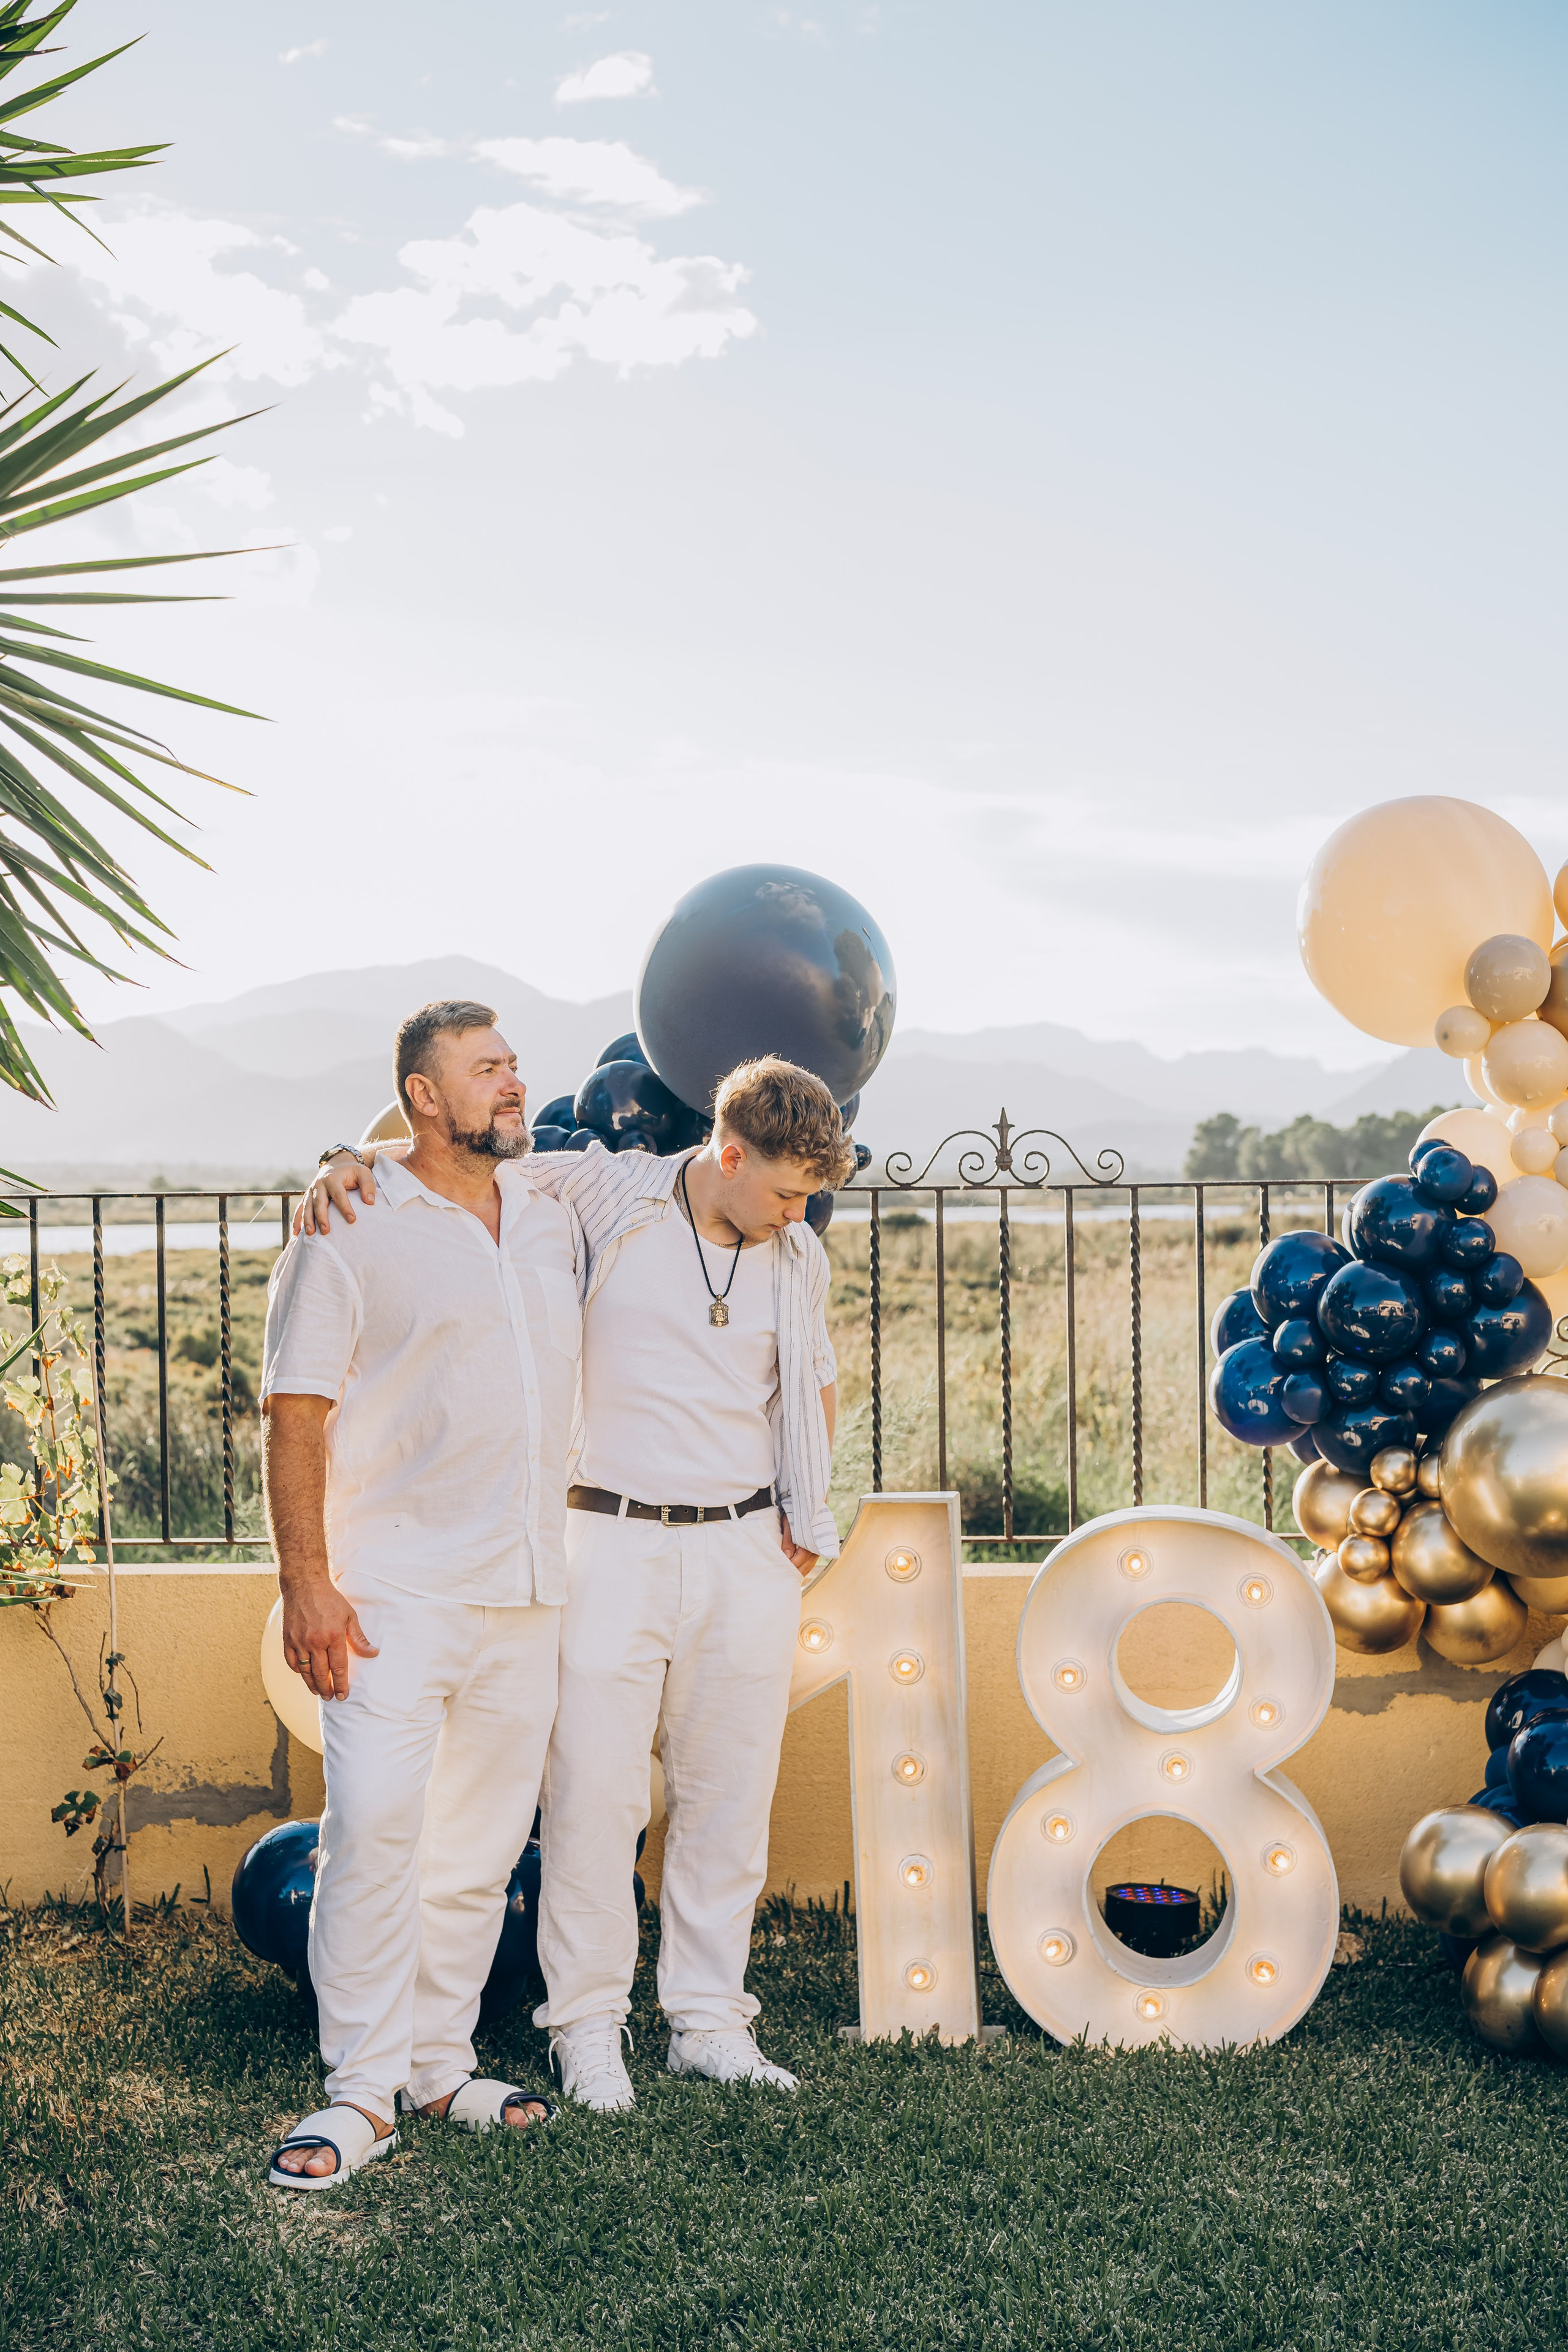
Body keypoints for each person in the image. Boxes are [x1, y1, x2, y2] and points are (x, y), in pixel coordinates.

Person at [302, 1054, 851, 2112]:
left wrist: (800, 1513)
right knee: (594, 1799)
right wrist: (342, 1158)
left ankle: (708, 2021)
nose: (798, 1214)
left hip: (745, 1551)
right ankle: (587, 2029)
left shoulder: (797, 1256)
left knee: (727, 1798)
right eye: (785, 1192)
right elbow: (455, 1160)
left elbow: (811, 1380)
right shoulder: (605, 1189)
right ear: (727, 1154)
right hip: (607, 1541)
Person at [262, 1000, 581, 2188]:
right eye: (486, 1069)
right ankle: (359, 2093)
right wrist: (308, 1586)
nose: (512, 1082)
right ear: (422, 1098)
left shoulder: (550, 1208)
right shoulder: (346, 1226)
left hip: (526, 1591)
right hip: (392, 1598)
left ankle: (440, 2065)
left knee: (476, 1852)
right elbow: (295, 1412)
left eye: (512, 1064)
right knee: (374, 1840)